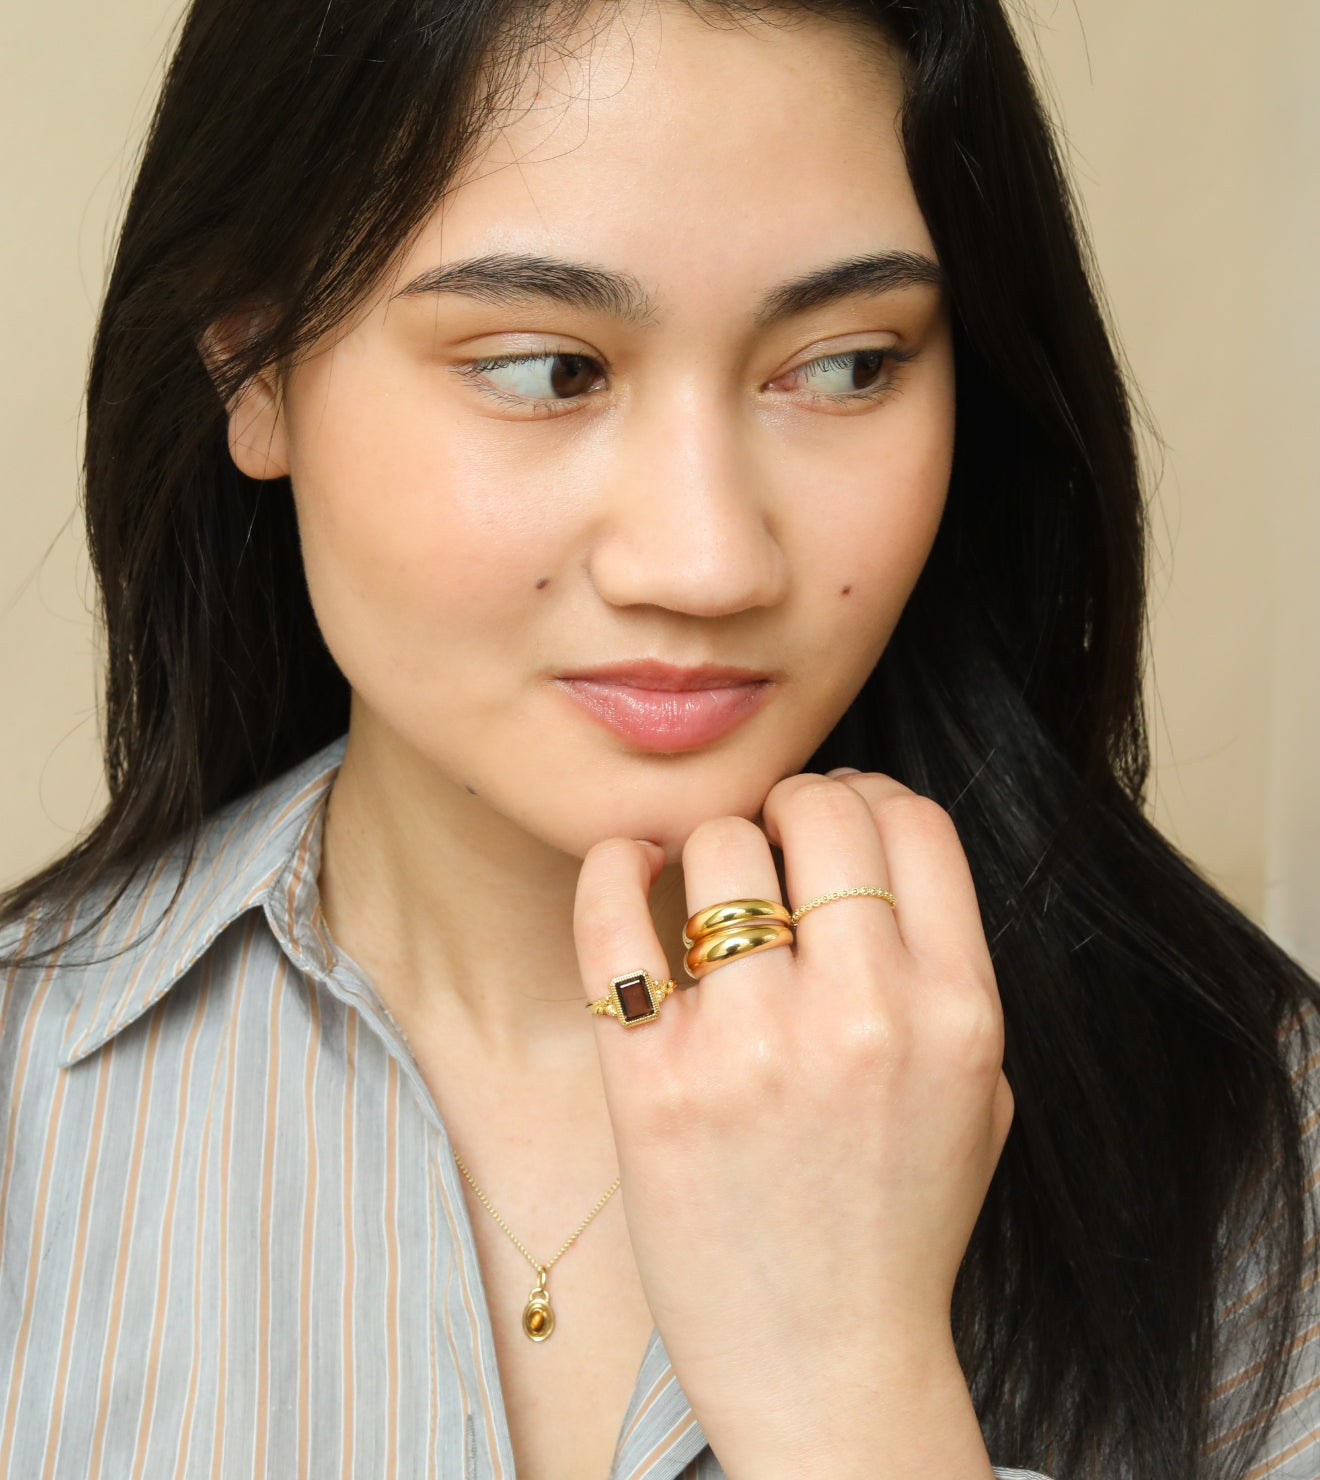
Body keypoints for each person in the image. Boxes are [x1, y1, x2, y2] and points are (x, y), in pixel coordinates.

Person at [1, 0, 1316, 1476]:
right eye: (546, 369)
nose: (706, 562)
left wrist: (847, 1387)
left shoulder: (1248, 1130)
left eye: (847, 365)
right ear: (254, 365)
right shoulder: (26, 1097)